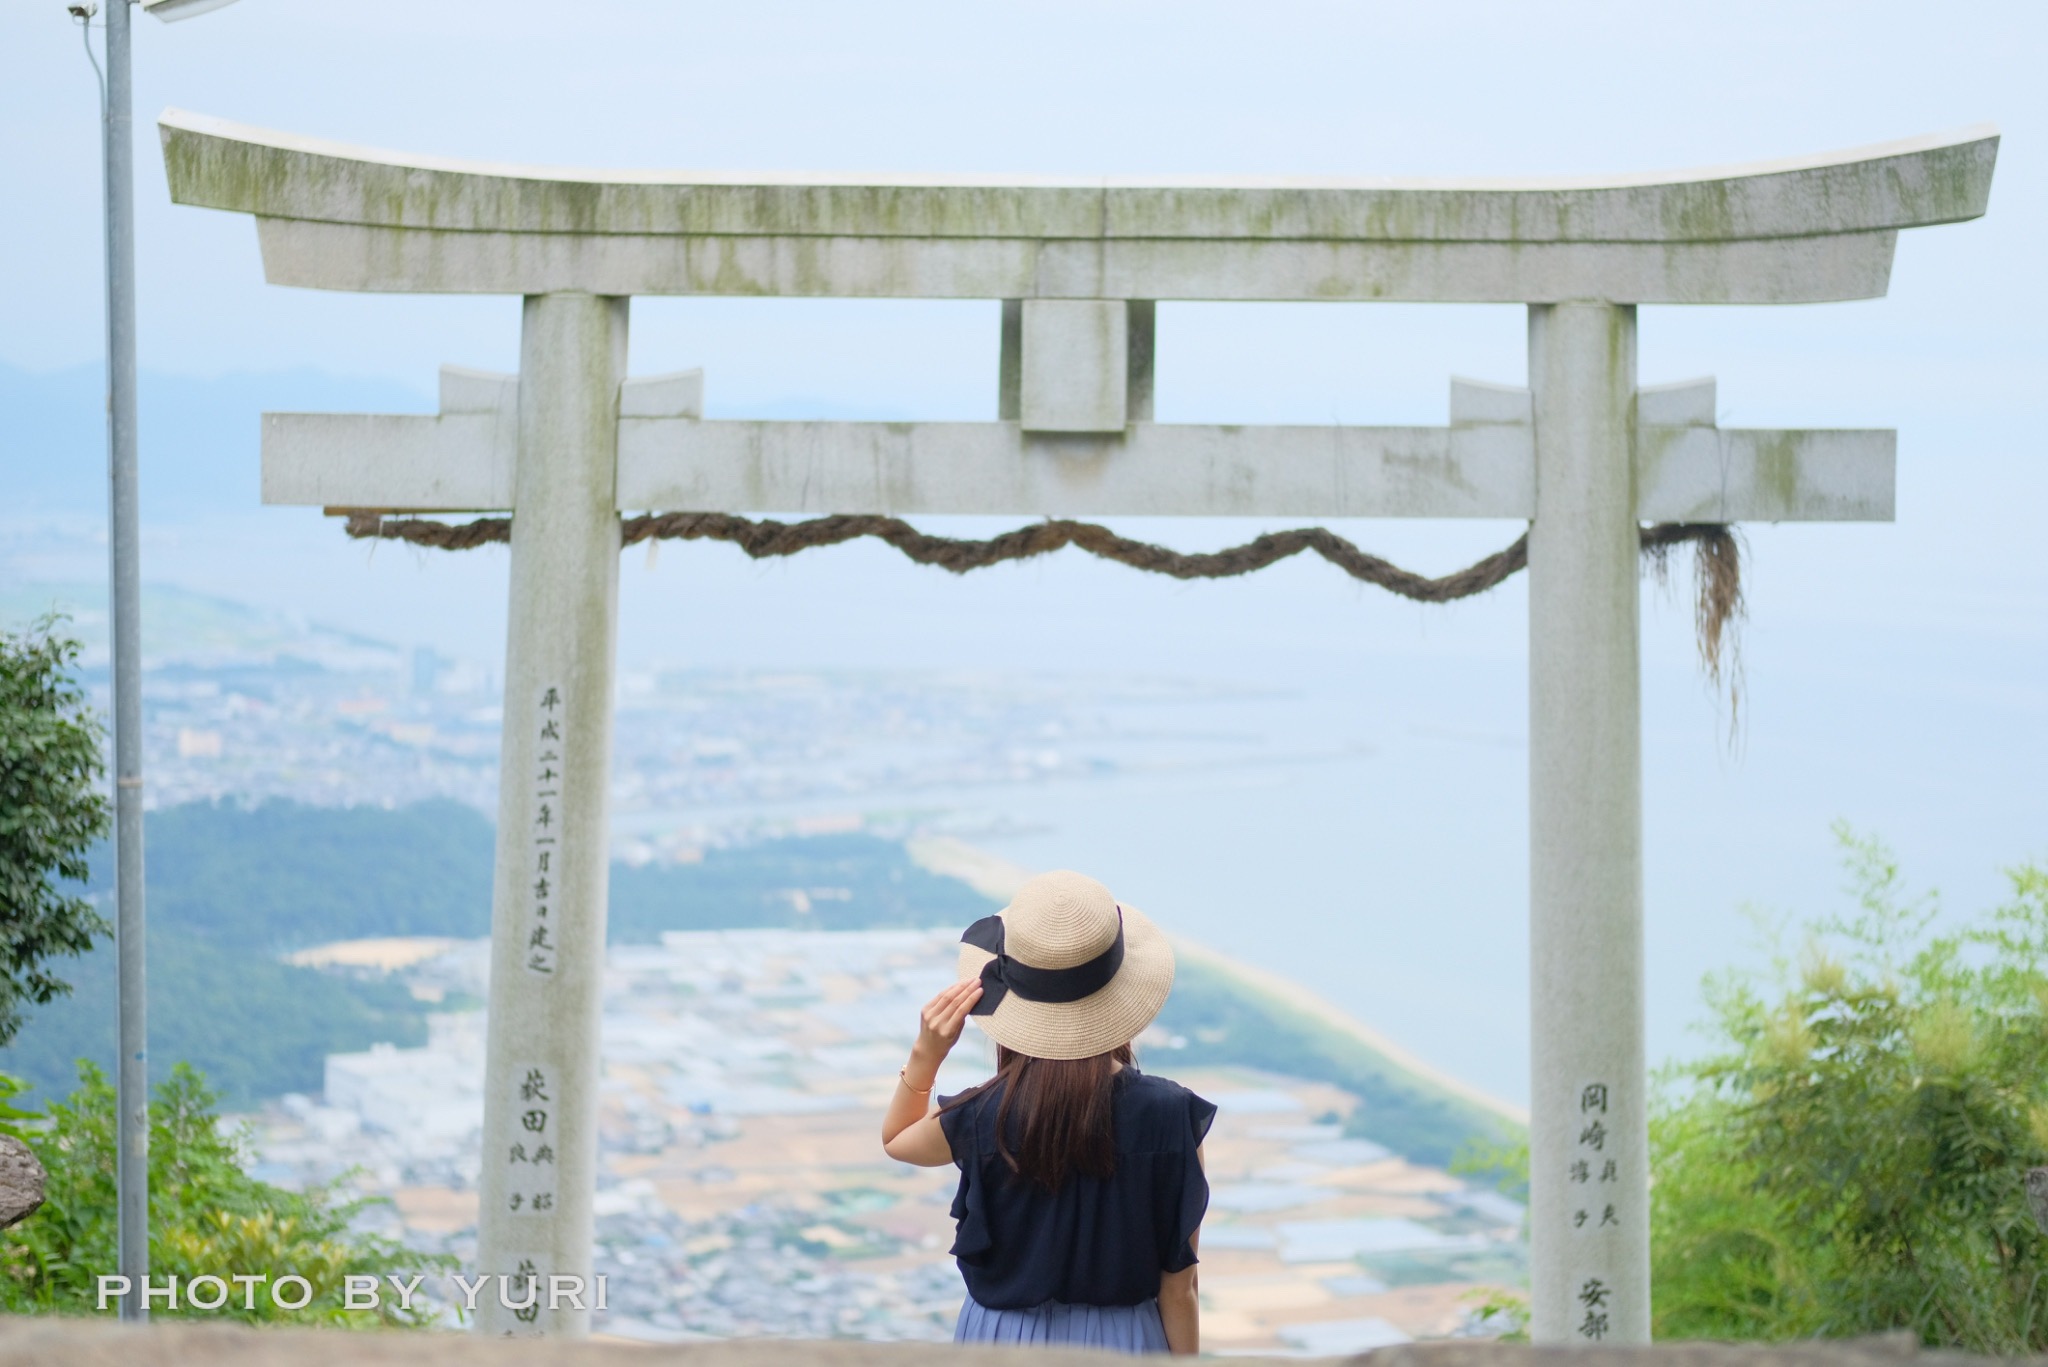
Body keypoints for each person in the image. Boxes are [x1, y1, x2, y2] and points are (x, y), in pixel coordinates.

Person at [882, 870, 1215, 1355]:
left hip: (998, 1343)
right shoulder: (1171, 1115)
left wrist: (926, 1053)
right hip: (1124, 1344)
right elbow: (1179, 1288)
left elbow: (897, 1139)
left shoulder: (985, 1114)